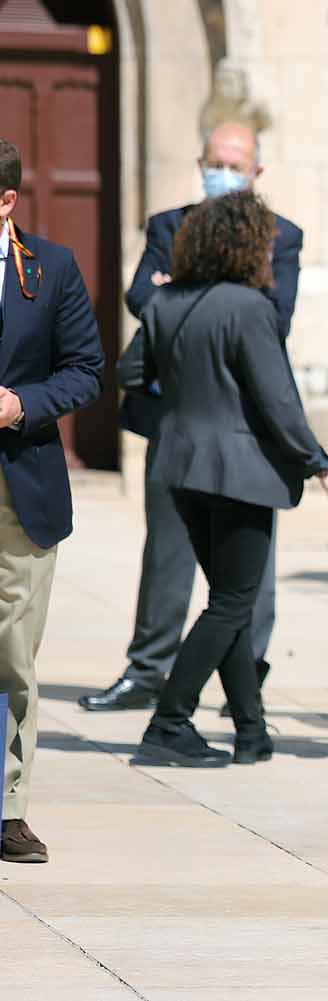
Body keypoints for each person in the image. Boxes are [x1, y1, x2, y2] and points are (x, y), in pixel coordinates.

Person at [80, 121, 302, 714]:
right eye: (215, 160)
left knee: (249, 562)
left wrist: (180, 288)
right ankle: (147, 669)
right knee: (168, 549)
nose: (224, 171)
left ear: (258, 171)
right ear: (199, 161)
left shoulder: (283, 236)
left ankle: (245, 678)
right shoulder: (168, 225)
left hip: (246, 426)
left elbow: (273, 317)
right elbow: (138, 298)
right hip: (172, 415)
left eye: (236, 162)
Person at [128, 192, 328, 767]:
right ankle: (169, 720)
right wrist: (319, 462)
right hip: (238, 475)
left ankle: (251, 731)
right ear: (246, 244)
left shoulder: (165, 300)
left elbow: (132, 371)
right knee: (230, 602)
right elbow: (278, 400)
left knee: (232, 602)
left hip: (178, 466)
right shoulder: (250, 309)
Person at [0, 137, 104, 863]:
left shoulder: (54, 268)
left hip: (20, 485)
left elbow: (85, 370)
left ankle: (8, 806)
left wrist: (20, 404)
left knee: (10, 651)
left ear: (6, 201)